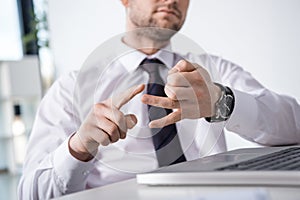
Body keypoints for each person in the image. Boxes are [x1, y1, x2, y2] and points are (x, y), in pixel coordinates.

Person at [18, 0, 300, 199]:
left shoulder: (213, 71)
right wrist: (78, 147)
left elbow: (294, 126)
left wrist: (221, 100)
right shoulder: (71, 89)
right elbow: (31, 194)